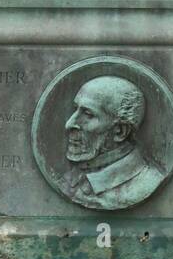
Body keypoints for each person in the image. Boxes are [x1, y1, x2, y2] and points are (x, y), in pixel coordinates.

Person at [64, 76, 165, 210]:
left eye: (88, 114)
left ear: (120, 132)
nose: (69, 124)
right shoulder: (70, 178)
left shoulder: (147, 182)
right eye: (75, 109)